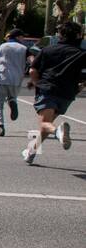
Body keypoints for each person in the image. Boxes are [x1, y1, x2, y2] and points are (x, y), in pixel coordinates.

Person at [23, 20, 85, 165]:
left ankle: (59, 132)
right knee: (47, 124)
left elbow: (33, 70)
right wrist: (80, 87)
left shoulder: (48, 50)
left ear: (60, 35)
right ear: (78, 35)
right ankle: (30, 152)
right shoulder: (81, 54)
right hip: (67, 94)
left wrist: (36, 82)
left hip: (48, 89)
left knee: (46, 123)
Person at [0, 29, 27, 137]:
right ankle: (12, 101)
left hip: (2, 78)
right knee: (12, 95)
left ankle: (0, 127)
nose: (23, 39)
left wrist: (0, 68)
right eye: (22, 37)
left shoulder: (1, 47)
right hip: (17, 80)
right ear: (18, 37)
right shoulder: (25, 49)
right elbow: (33, 62)